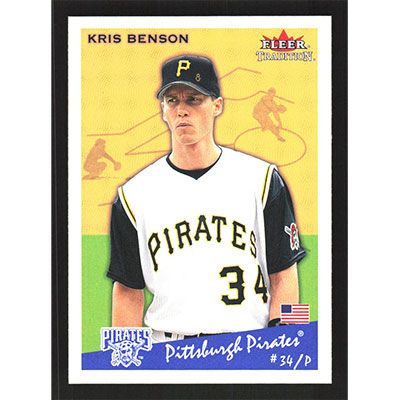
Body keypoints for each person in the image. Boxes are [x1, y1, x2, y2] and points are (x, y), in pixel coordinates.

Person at [106, 55, 306, 342]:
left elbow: (286, 274)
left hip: (247, 345)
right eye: (172, 100)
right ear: (163, 110)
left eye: (194, 99)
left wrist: (292, 338)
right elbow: (127, 290)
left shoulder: (261, 179)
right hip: (169, 347)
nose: (181, 110)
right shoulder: (133, 195)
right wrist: (121, 358)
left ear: (217, 105)